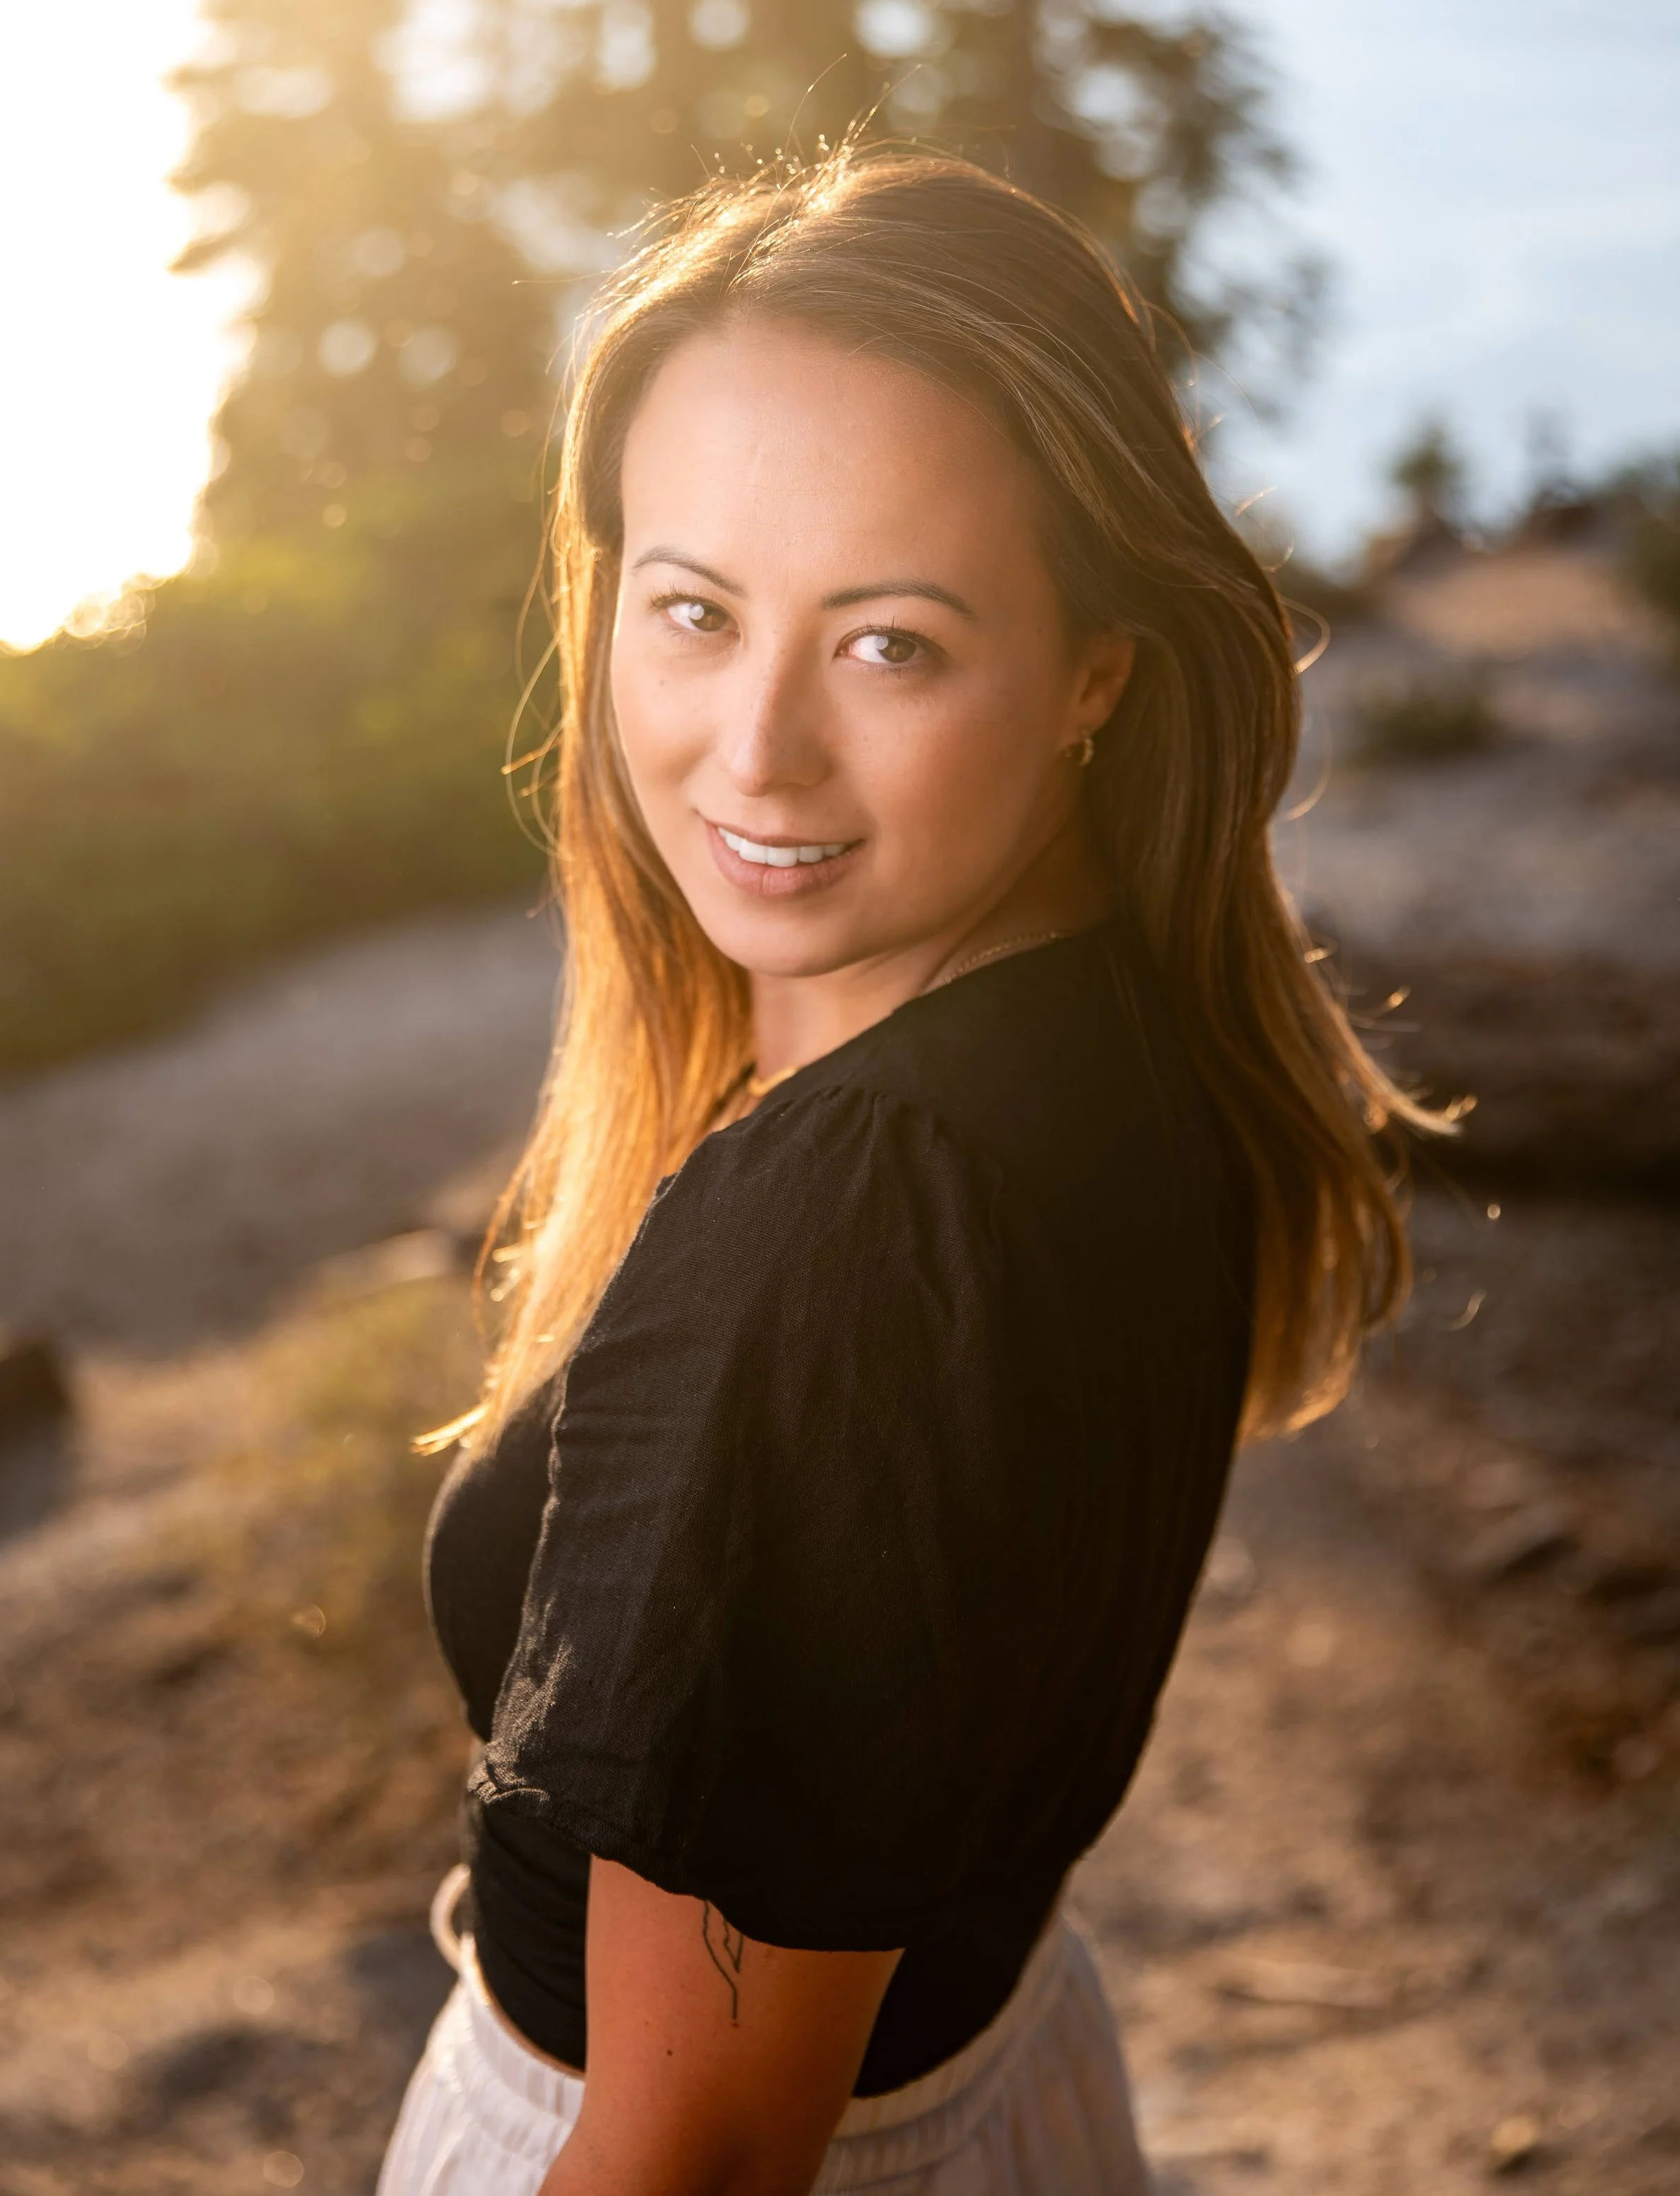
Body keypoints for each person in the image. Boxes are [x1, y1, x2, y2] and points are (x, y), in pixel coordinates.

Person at [380, 148, 1437, 2196]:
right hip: (1001, 2080)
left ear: (1093, 679)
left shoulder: (847, 1234)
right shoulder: (1128, 1026)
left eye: (889, 644)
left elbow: (688, 2138)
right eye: (692, 611)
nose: (750, 750)